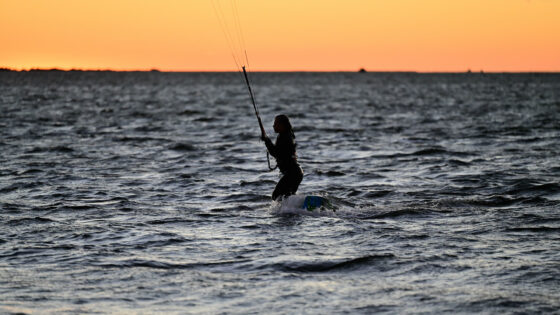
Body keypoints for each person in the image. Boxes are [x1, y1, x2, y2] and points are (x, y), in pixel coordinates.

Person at [261, 115, 303, 201]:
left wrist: (267, 140)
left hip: (292, 174)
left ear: (283, 125)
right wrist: (266, 140)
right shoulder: (285, 135)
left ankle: (290, 210)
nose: (273, 126)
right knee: (287, 197)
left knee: (276, 196)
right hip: (295, 173)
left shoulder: (285, 137)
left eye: (276, 124)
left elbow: (276, 153)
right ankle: (293, 210)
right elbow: (278, 152)